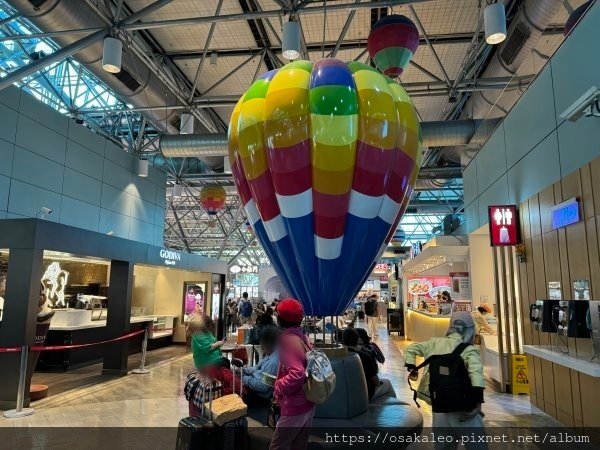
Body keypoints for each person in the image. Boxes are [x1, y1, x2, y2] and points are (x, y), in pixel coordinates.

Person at [404, 311, 486, 449]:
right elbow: (476, 373)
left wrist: (413, 367)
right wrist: (478, 402)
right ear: (470, 329)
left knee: (443, 446)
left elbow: (410, 349)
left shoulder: (434, 343)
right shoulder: (469, 350)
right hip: (464, 409)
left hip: (439, 407)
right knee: (477, 446)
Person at [270, 298, 315, 450]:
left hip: (295, 405)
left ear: (281, 319)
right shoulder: (303, 338)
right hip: (308, 402)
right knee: (299, 446)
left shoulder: (288, 340)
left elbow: (297, 374)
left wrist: (278, 387)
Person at [242, 325, 280, 407]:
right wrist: (244, 371)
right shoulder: (270, 354)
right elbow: (257, 367)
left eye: (262, 343)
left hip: (260, 396)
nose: (261, 347)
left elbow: (263, 386)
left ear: (269, 343)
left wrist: (244, 378)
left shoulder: (274, 362)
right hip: (254, 385)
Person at [342, 328, 380, 400]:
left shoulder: (339, 357)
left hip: (345, 394)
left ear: (343, 341)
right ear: (357, 340)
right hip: (365, 393)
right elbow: (376, 382)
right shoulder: (364, 357)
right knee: (388, 384)